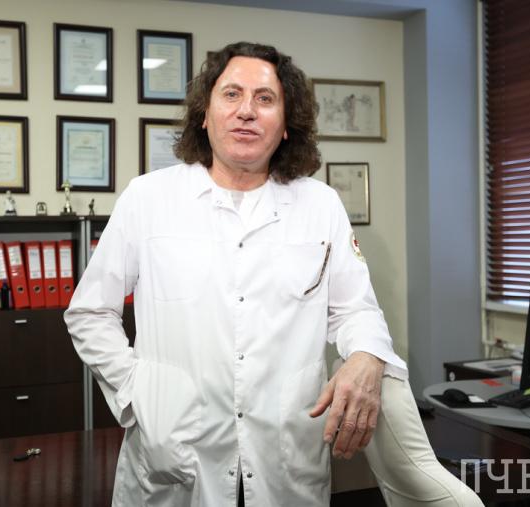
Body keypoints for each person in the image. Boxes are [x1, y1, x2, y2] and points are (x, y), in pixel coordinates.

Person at [65, 42, 482, 507]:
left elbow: (356, 310)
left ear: (285, 125)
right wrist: (136, 394)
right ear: (204, 115)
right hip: (175, 457)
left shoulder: (319, 204)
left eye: (265, 99)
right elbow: (90, 313)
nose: (246, 110)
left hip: (286, 460)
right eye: (231, 94)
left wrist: (366, 355)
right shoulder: (148, 199)